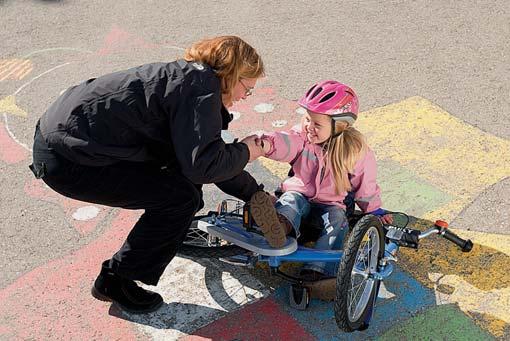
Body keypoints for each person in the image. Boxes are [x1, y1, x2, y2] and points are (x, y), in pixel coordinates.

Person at [29, 36, 268, 314]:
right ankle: (115, 280)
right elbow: (203, 166)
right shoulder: (201, 94)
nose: (244, 97)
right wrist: (248, 152)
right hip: (69, 160)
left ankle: (167, 234)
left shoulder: (192, 80)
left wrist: (252, 192)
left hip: (65, 138)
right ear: (232, 75)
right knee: (179, 199)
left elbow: (206, 157)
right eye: (247, 88)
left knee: (182, 183)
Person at [249, 80, 393, 281]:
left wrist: (374, 210)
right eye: (307, 119)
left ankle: (317, 269)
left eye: (317, 124)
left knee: (337, 222)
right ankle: (279, 228)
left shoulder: (355, 151)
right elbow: (286, 142)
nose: (309, 126)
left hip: (331, 207)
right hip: (300, 200)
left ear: (339, 126)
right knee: (291, 200)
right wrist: (265, 144)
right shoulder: (302, 137)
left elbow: (365, 184)